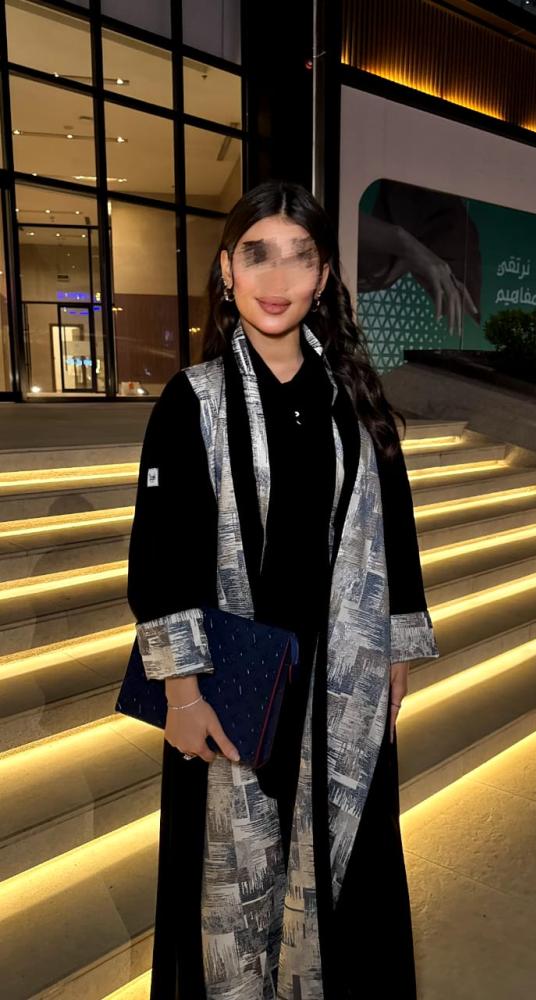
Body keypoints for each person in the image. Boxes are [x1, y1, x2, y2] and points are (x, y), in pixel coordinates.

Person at [126, 179, 440, 1000]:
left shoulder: (352, 401)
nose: (278, 279)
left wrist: (396, 650)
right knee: (230, 903)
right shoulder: (194, 401)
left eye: (300, 258)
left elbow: (394, 531)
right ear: (226, 269)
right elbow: (160, 558)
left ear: (325, 276)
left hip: (339, 687)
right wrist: (182, 694)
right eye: (257, 255)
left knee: (343, 889)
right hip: (234, 692)